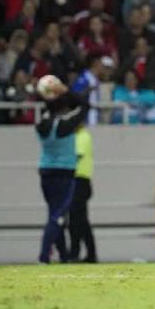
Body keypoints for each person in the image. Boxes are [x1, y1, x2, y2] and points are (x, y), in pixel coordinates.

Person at [33, 76, 88, 264]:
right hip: (64, 173)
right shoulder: (64, 124)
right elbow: (84, 106)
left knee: (54, 214)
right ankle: (43, 255)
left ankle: (63, 256)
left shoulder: (41, 124)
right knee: (57, 216)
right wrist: (65, 90)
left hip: (45, 172)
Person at [68, 125, 97, 263]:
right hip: (78, 181)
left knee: (78, 220)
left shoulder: (83, 136)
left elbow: (77, 156)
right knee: (79, 220)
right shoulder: (77, 136)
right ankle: (86, 254)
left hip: (80, 180)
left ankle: (77, 253)